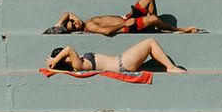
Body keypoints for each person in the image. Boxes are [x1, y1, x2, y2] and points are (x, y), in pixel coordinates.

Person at [50, 0, 204, 36]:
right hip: (127, 26)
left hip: (127, 17)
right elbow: (106, 31)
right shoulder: (89, 26)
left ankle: (151, 27)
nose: (75, 21)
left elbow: (67, 13)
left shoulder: (81, 21)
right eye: (72, 24)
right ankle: (181, 30)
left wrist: (58, 24)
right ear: (73, 30)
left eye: (73, 21)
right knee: (154, 18)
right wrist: (124, 24)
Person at [46, 39, 186, 74]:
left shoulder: (78, 61)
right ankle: (171, 67)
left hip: (121, 60)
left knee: (152, 52)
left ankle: (167, 66)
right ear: (65, 60)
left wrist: (55, 61)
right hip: (122, 64)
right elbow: (69, 48)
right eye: (65, 57)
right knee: (150, 42)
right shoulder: (77, 65)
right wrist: (55, 60)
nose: (67, 55)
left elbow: (68, 50)